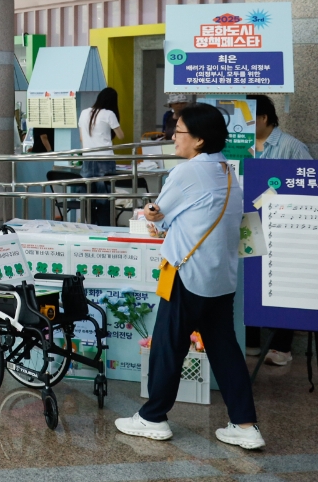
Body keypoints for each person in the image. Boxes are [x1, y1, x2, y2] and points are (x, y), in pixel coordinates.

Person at [116, 103, 263, 450]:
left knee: (168, 345)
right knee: (225, 350)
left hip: (185, 272)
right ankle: (245, 425)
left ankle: (153, 418)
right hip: (220, 278)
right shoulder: (228, 172)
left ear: (198, 140)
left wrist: (150, 212)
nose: (173, 137)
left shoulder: (186, 173)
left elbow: (159, 216)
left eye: (178, 131)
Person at [244, 94, 311, 365]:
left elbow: (307, 185)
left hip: (282, 226)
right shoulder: (241, 146)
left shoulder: (292, 147)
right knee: (248, 278)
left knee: (282, 282)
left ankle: (282, 347)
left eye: (248, 118)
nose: (242, 125)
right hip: (248, 221)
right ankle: (250, 341)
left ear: (263, 118)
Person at [78, 87, 124, 226]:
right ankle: (105, 228)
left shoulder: (84, 113)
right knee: (105, 198)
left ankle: (90, 225)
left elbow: (81, 138)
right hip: (105, 160)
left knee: (89, 197)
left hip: (87, 159)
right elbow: (121, 136)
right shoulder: (109, 114)